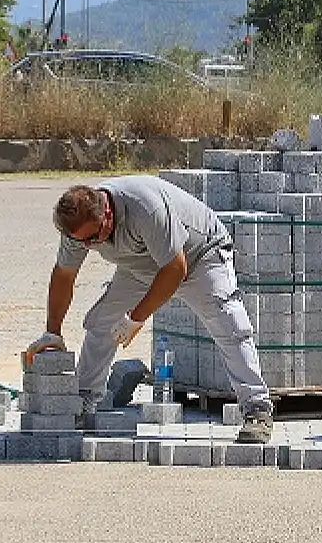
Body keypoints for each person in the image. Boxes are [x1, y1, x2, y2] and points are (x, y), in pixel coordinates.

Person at [27, 177, 276, 443]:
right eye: (82, 242)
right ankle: (85, 400)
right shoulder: (78, 228)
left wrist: (136, 318)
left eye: (92, 238)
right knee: (102, 322)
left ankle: (257, 408)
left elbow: (175, 269)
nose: (87, 246)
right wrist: (52, 331)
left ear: (107, 214)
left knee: (228, 322)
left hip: (200, 255)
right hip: (140, 265)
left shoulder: (145, 208)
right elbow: (64, 275)